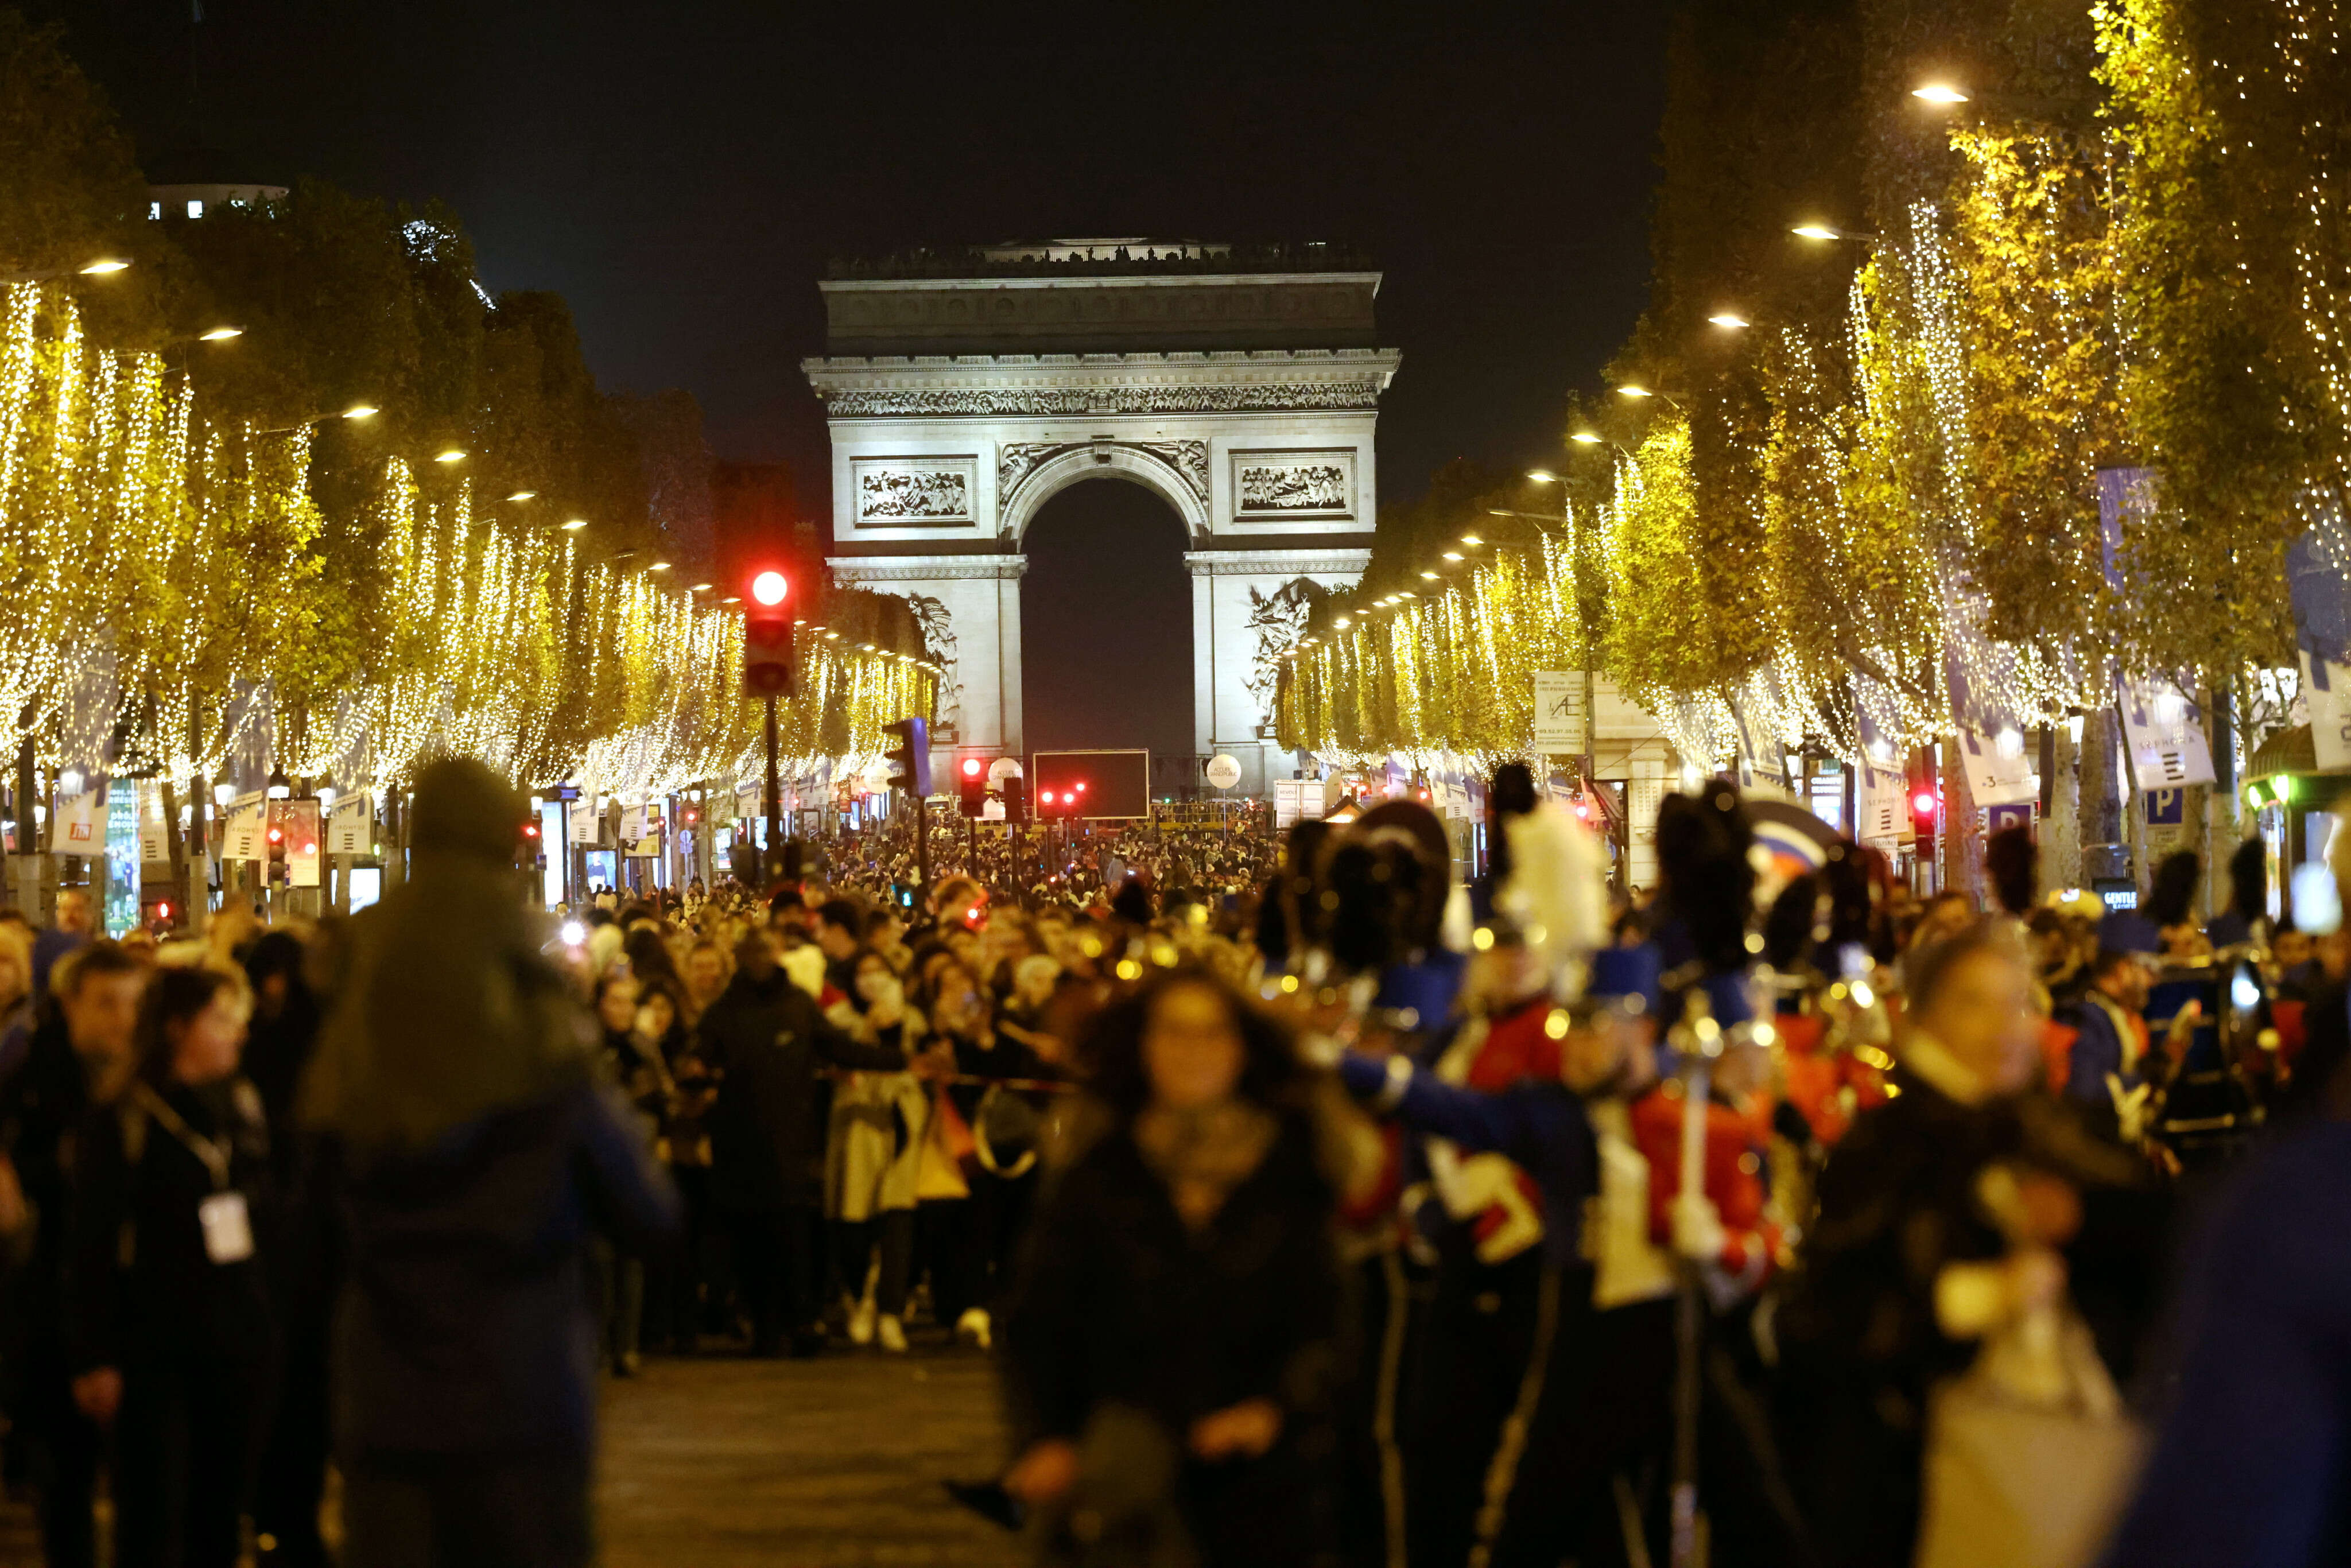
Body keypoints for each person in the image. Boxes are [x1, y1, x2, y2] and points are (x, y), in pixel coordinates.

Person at [299, 758, 681, 1568]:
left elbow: (305, 1235)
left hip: (386, 1396)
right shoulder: (533, 1014)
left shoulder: (358, 1006)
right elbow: (646, 1213)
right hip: (521, 1387)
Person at [1773, 922, 2155, 1568]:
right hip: (1918, 1476)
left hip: (2058, 1458)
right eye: (1973, 1002)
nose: (2002, 1024)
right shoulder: (1886, 1145)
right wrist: (1970, 1298)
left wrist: (2080, 1221)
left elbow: (2151, 1250)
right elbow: (1829, 1318)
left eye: (2015, 1001)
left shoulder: (2053, 1133)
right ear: (1921, 1019)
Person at [1002, 969, 1344, 1568]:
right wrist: (1045, 1436)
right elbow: (1038, 1315)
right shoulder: (1100, 1170)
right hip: (1119, 1481)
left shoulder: (1286, 1172)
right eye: (1174, 1032)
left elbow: (1325, 1317)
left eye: (1212, 1033)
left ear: (1240, 1047)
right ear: (1144, 1045)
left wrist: (1274, 1407)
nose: (1194, 1051)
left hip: (1258, 1485)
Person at [67, 964, 272, 1568]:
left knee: (218, 1513)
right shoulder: (122, 1119)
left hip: (234, 1345)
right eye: (220, 1019)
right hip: (152, 1349)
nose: (236, 1033)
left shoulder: (240, 1103)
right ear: (178, 1028)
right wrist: (94, 1353)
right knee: (152, 1518)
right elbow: (90, 1243)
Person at [699, 927, 927, 1357]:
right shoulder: (725, 1013)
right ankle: (767, 1325)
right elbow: (700, 1058)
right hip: (741, 1145)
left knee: (793, 1236)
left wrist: (898, 1059)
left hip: (790, 1143)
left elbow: (841, 1050)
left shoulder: (797, 1007)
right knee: (754, 1240)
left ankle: (800, 1320)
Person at [0, 940, 146, 1568]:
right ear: (70, 1005)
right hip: (51, 1313)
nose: (123, 1018)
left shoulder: (156, 1085)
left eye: (136, 1003)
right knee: (66, 1484)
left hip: (143, 1314)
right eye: (107, 1002)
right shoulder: (30, 1087)